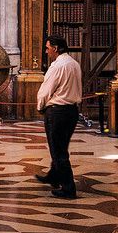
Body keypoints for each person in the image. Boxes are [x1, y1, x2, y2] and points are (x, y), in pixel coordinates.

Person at [35, 35, 82, 199]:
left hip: (57, 112)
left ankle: (68, 188)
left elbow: (46, 90)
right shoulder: (74, 64)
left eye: (47, 48)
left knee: (58, 151)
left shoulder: (57, 66)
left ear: (55, 48)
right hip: (72, 112)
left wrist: (40, 106)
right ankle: (53, 176)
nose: (46, 51)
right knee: (60, 146)